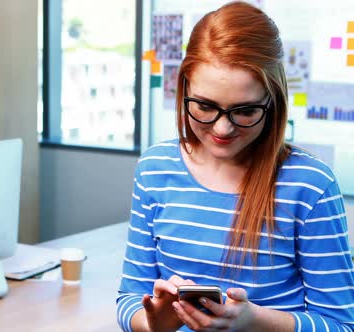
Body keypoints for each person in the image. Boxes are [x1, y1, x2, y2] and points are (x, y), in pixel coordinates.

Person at [116, 2, 354, 331]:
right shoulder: (155, 169)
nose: (222, 129)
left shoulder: (310, 185)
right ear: (183, 89)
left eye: (244, 111)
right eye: (204, 106)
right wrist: (152, 322)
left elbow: (341, 324)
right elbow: (130, 297)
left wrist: (254, 320)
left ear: (273, 102)